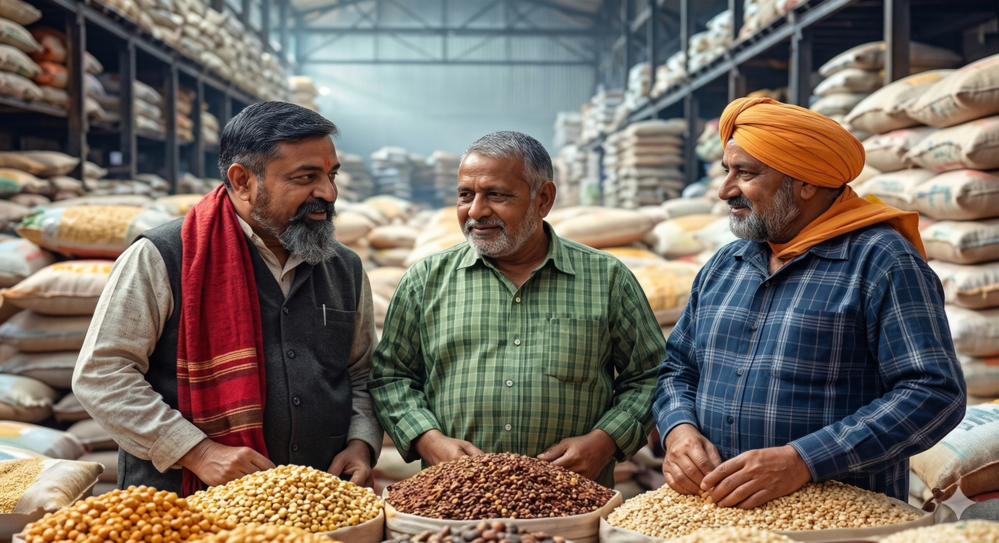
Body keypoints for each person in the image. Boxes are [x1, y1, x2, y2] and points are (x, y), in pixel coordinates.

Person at [654, 97, 966, 508]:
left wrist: (804, 461)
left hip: (834, 519)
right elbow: (678, 367)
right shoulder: (725, 264)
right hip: (715, 514)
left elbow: (935, 393)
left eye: (745, 173)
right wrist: (677, 428)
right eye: (728, 171)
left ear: (806, 182)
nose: (725, 190)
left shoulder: (881, 262)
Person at [73, 101, 383, 496]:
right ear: (242, 181)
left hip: (315, 503)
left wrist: (361, 443)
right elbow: (103, 374)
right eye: (306, 177)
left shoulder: (344, 267)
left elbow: (360, 371)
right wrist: (197, 452)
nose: (328, 192)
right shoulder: (164, 256)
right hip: (183, 504)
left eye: (331, 174)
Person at [369, 131, 664, 488]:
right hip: (454, 498)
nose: (476, 211)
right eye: (466, 195)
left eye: (495, 194)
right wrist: (428, 439)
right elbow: (391, 376)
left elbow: (649, 375)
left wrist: (604, 441)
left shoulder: (607, 279)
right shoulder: (425, 280)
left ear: (543, 199)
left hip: (571, 497)